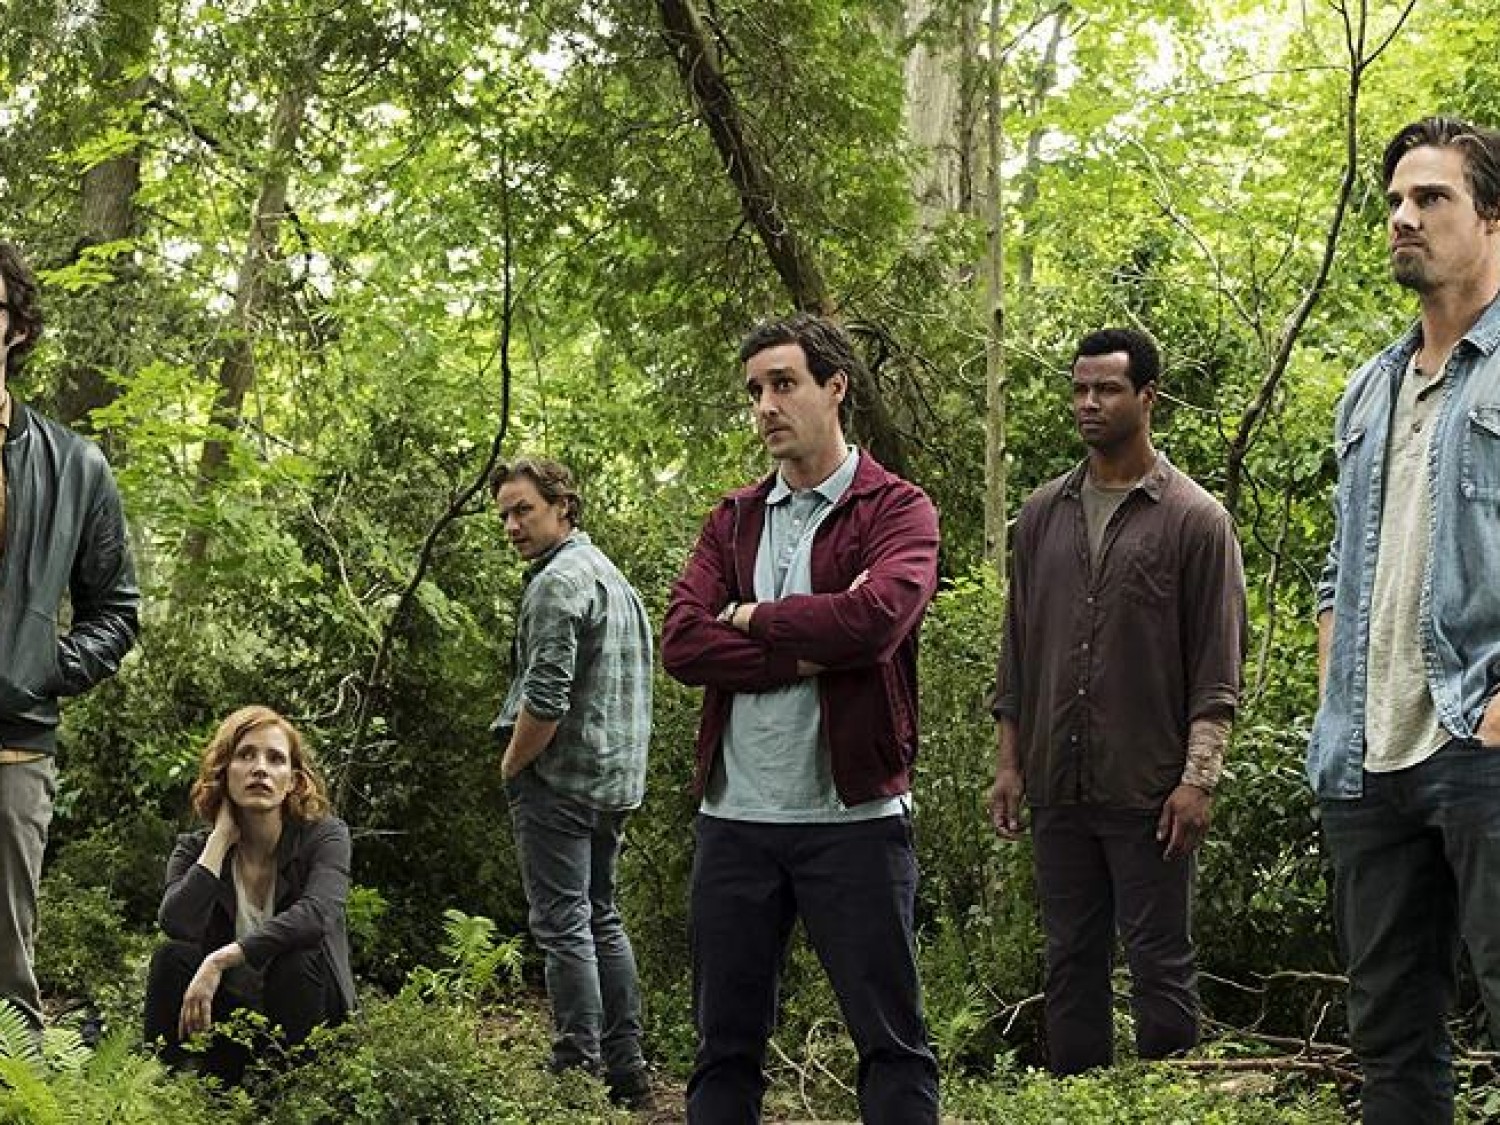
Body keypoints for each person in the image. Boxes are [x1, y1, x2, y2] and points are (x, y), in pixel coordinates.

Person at [662, 313, 942, 1124]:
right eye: (755, 390)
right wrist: (807, 649)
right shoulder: (734, 518)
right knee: (723, 1050)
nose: (765, 406)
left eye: (783, 383)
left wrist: (750, 617)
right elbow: (682, 641)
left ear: (835, 386)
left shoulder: (896, 509)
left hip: (854, 820)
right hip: (734, 819)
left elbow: (876, 622)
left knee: (892, 1045)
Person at [989, 327, 1246, 1076]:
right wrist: (1009, 764)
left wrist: (1199, 779)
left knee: (1160, 961)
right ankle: (1079, 1102)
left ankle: (1165, 1102)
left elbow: (1217, 669)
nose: (1088, 403)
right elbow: (1017, 650)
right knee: (1070, 960)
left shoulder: (1196, 520)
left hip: (1150, 789)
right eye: (1079, 388)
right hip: (1057, 784)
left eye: (1106, 388)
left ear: (1147, 397)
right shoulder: (1042, 514)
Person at [1310, 116, 1500, 1124]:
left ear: (1493, 216)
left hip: (1482, 742)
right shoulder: (1370, 388)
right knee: (1390, 1047)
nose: (1403, 217)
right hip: (1368, 759)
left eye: (1432, 198)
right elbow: (1340, 562)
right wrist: (1333, 700)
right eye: (1394, 200)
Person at [0, 241, 139, 1039]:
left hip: (13, 746)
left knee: (4, 971)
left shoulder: (75, 465)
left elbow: (115, 609)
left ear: (17, 327)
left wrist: (43, 665)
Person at [490, 457, 653, 1109]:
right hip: (612, 783)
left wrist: (512, 763)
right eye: (504, 514)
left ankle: (577, 1073)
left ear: (563, 506)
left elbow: (547, 698)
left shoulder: (558, 583)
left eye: (524, 509)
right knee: (600, 917)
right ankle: (627, 1069)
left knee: (564, 926)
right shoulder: (608, 574)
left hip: (559, 781)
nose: (512, 525)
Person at [144, 706, 355, 1084]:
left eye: (275, 759)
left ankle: (300, 1092)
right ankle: (164, 1089)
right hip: (228, 1027)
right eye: (245, 755)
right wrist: (220, 840)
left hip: (305, 1019)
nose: (260, 768)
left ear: (293, 781)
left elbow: (317, 915)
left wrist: (220, 960)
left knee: (299, 960)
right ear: (224, 773)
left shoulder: (324, 837)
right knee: (171, 957)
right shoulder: (195, 848)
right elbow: (176, 922)